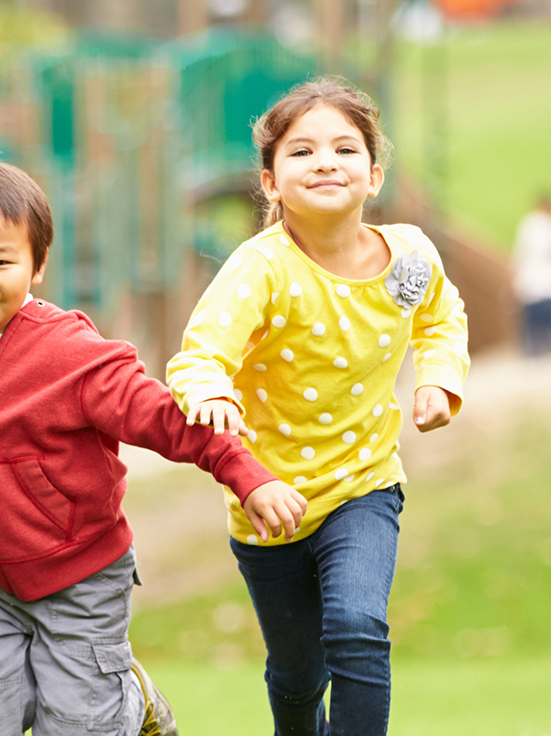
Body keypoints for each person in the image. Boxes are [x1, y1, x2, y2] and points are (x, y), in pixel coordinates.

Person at [0, 158, 298, 736]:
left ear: (36, 266)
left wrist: (245, 472)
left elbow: (165, 420)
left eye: (1, 261)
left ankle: (128, 703)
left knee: (79, 726)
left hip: (81, 576)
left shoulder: (71, 356)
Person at [165, 77, 471, 736]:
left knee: (358, 628)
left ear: (374, 175)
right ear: (271, 182)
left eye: (345, 149)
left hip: (365, 485)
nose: (326, 161)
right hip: (269, 502)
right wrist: (212, 390)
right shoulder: (260, 270)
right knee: (299, 673)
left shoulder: (407, 259)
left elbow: (440, 316)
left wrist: (438, 379)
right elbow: (199, 355)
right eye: (302, 152)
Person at [511, 192, 551, 355]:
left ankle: (536, 354)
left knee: (535, 326)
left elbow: (519, 253)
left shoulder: (530, 224)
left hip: (537, 283)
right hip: (546, 283)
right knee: (549, 324)